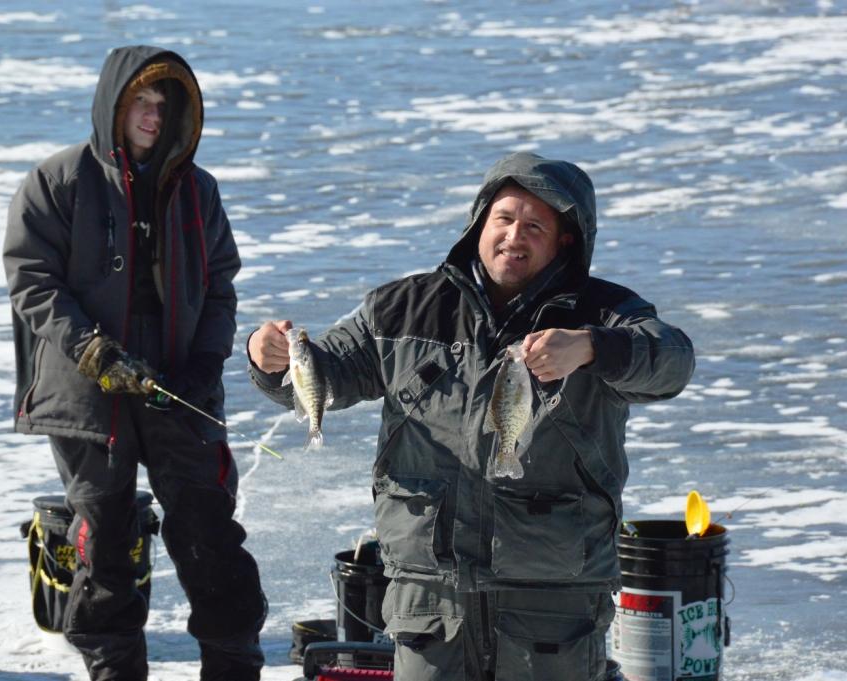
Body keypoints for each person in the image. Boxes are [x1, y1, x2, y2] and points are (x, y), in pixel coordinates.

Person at [247, 151, 694, 680]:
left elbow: (672, 361)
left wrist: (593, 348)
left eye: (534, 226)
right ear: (480, 222)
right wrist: (268, 358)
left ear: (564, 240)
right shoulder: (404, 307)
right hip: (427, 597)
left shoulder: (604, 314)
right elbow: (329, 372)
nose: (514, 236)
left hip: (554, 599)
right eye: (503, 219)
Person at [4, 45, 267, 681]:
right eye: (141, 104)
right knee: (107, 538)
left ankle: (234, 666)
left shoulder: (198, 191)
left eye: (163, 105)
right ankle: (113, 669)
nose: (153, 117)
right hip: (88, 389)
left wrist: (207, 363)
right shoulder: (58, 181)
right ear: (115, 107)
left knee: (209, 531)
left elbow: (222, 285)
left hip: (178, 383)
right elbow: (31, 279)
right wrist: (91, 349)